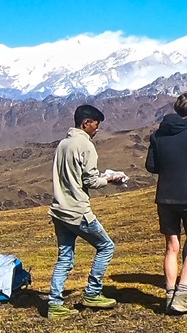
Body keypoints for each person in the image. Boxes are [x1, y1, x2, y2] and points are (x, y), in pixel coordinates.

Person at [46, 104, 127, 318]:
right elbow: (91, 181)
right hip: (78, 211)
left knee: (65, 257)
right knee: (106, 246)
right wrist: (110, 178)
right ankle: (93, 292)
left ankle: (54, 303)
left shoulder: (63, 144)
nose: (97, 129)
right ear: (86, 123)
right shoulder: (86, 146)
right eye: (96, 125)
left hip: (58, 209)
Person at [145, 92, 187, 315]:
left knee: (171, 247)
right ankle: (182, 296)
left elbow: (151, 166)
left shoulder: (158, 134)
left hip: (165, 196)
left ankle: (168, 295)